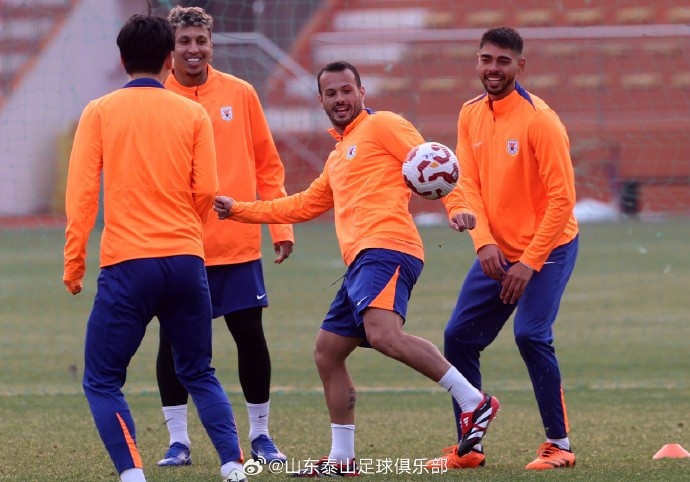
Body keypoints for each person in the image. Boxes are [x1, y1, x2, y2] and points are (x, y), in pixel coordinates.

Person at [213, 60, 500, 477]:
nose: (340, 99)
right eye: (331, 93)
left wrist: (456, 207)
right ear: (321, 100)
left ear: (362, 92)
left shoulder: (383, 125)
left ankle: (473, 400)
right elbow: (303, 204)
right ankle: (342, 458)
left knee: (383, 335)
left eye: (347, 90)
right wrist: (239, 210)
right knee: (327, 353)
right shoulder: (337, 157)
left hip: (388, 248)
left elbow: (431, 161)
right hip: (361, 262)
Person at [62, 8, 246, 482]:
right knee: (199, 371)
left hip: (128, 264)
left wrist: (74, 264)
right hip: (186, 260)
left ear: (122, 60)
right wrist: (184, 231)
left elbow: (81, 195)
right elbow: (207, 190)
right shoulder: (192, 112)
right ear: (169, 58)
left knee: (102, 379)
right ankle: (233, 466)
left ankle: (132, 474)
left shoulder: (99, 111)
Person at [427, 26, 579, 471]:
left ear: (520, 66)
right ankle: (468, 447)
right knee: (458, 337)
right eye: (486, 59)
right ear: (476, 62)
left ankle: (559, 445)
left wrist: (529, 263)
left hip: (549, 247)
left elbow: (562, 200)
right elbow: (465, 182)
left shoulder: (540, 120)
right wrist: (483, 242)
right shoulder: (470, 113)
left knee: (531, 334)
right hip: (497, 250)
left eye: (503, 61)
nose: (493, 69)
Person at [154, 5, 294, 468]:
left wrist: (280, 224)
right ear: (170, 48)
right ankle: (178, 441)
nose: (193, 49)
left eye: (201, 41)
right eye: (184, 42)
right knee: (173, 343)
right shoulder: (157, 97)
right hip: (179, 245)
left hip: (236, 244)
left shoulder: (240, 92)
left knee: (250, 337)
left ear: (211, 44)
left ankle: (261, 435)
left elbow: (268, 164)